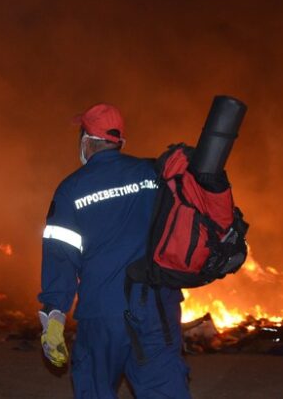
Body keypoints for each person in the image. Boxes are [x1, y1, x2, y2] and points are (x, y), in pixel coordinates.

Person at [38, 103, 191, 398]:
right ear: (120, 141)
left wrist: (53, 314)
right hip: (157, 310)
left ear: (85, 140)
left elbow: (61, 261)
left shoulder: (71, 190)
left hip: (102, 314)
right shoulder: (153, 173)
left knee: (95, 388)